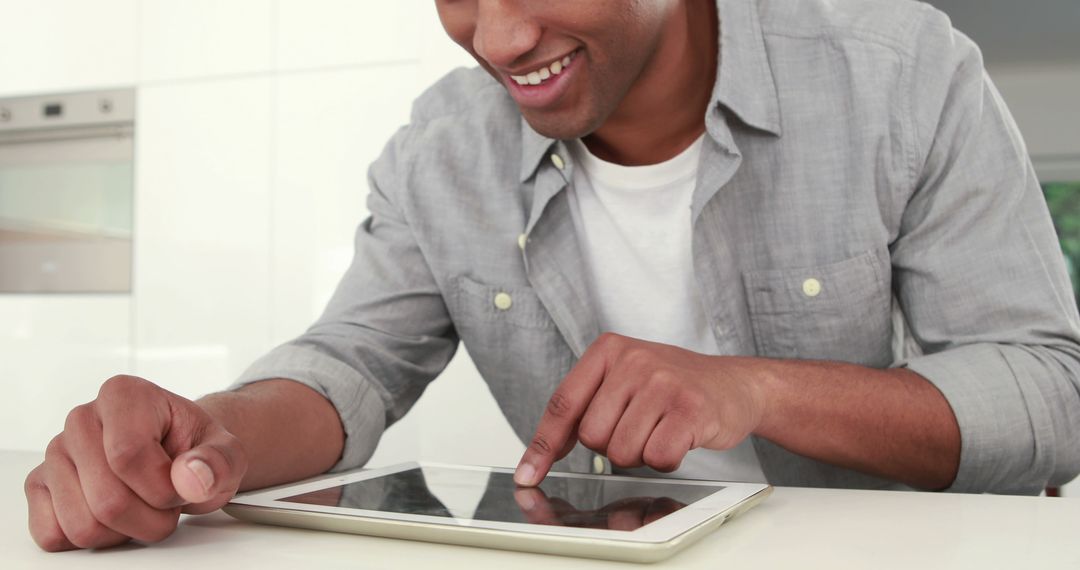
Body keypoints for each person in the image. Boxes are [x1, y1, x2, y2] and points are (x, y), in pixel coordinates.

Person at [25, 0, 1080, 552]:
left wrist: (752, 387)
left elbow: (1048, 392)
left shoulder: (902, 73)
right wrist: (207, 434)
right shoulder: (441, 149)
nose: (500, 35)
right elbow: (349, 364)